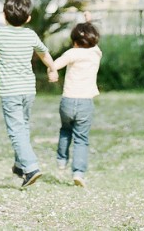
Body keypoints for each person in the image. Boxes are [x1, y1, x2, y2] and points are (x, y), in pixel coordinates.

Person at [0, 0, 58, 188]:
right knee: (23, 126)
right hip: (28, 90)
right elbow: (44, 53)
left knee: (16, 130)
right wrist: (52, 69)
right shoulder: (30, 35)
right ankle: (20, 166)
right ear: (28, 18)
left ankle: (31, 167)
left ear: (4, 15)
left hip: (10, 91)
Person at [52, 15, 102, 187]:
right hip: (85, 103)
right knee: (81, 138)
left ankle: (61, 160)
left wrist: (52, 73)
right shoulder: (96, 54)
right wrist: (89, 22)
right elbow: (93, 40)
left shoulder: (71, 53)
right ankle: (78, 172)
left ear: (74, 41)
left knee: (65, 130)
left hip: (67, 101)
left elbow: (54, 65)